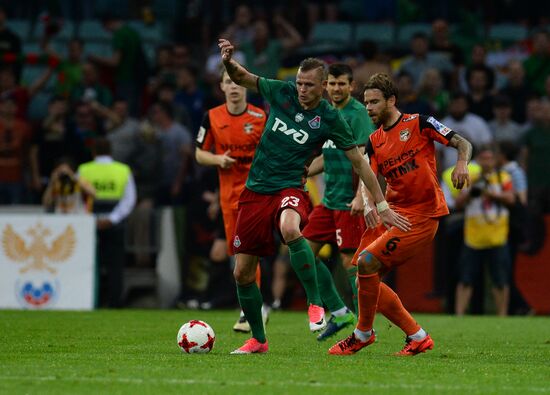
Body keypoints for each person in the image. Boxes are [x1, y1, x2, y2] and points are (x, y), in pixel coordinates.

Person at [218, 39, 410, 355]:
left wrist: (380, 201)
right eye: (299, 83)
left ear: (322, 86)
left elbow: (360, 160)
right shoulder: (281, 92)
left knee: (292, 229)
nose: (302, 89)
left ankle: (316, 303)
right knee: (242, 272)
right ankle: (258, 339)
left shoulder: (331, 118)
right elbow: (243, 77)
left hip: (292, 188)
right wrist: (227, 61)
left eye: (309, 85)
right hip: (256, 190)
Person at [328, 72, 472, 356]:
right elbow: (367, 177)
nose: (368, 108)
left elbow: (462, 143)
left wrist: (462, 164)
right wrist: (368, 204)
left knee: (367, 263)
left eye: (374, 102)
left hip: (422, 217)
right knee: (363, 278)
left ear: (391, 100)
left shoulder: (419, 123)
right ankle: (416, 336)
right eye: (366, 103)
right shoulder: (374, 140)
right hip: (393, 213)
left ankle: (363, 334)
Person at [303, 63, 374, 341]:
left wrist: (360, 196)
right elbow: (329, 153)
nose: (336, 88)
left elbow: (364, 158)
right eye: (331, 84)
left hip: (349, 202)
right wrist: (302, 171)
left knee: (351, 263)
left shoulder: (357, 115)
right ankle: (340, 311)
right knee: (303, 253)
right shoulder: (326, 113)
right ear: (325, 86)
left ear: (351, 86)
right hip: (329, 200)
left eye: (341, 83)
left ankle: (364, 327)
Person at [195, 68, 268, 332]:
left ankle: (250, 310)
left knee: (247, 252)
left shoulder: (261, 116)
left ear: (245, 87)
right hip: (228, 198)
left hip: (256, 194)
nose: (234, 86)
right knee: (237, 255)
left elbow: (272, 149)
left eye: (238, 82)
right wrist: (218, 159)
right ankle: (254, 306)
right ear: (222, 87)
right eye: (229, 82)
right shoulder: (211, 117)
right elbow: (199, 154)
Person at [454, 145, 515, 316]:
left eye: (490, 158)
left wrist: (490, 194)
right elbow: (457, 203)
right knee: (465, 278)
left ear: (495, 160)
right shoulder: (470, 177)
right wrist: (471, 191)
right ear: (478, 161)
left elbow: (511, 198)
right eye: (484, 158)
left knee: (500, 280)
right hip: (473, 238)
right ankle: (459, 314)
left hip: (497, 236)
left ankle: (502, 315)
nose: (487, 162)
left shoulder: (503, 177)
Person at [78, 138, 137, 308]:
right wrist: (112, 219)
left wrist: (92, 219)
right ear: (111, 151)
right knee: (115, 266)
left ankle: (89, 301)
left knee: (88, 264)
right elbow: (129, 200)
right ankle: (114, 303)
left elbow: (78, 199)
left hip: (89, 223)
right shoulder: (122, 170)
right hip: (115, 223)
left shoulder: (84, 170)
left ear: (93, 151)